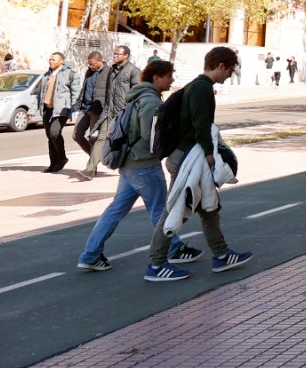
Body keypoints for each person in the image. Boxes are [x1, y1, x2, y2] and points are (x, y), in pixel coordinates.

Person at [77, 60, 202, 271]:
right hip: (145, 165)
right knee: (160, 211)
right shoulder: (151, 102)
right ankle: (173, 249)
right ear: (156, 78)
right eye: (169, 76)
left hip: (129, 164)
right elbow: (150, 136)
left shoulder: (136, 97)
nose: (171, 80)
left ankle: (90, 255)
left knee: (115, 210)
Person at [145, 47, 252, 281]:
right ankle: (156, 264)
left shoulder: (197, 85)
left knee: (209, 208)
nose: (230, 75)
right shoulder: (202, 88)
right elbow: (201, 124)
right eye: (230, 70)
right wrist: (209, 153)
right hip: (188, 157)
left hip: (187, 155)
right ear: (220, 66)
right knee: (175, 208)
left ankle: (221, 254)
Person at [79, 45, 140, 181]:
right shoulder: (112, 70)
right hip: (109, 111)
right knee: (101, 137)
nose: (115, 56)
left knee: (124, 141)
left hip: (124, 112)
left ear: (126, 56)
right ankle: (90, 169)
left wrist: (130, 110)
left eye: (118, 54)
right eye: (114, 54)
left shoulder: (133, 71)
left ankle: (129, 168)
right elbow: (108, 91)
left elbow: (137, 93)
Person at [37, 52, 81, 173]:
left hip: (62, 109)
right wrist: (32, 110)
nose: (51, 62)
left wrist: (74, 110)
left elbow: (76, 94)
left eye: (54, 60)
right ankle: (53, 163)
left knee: (54, 132)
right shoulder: (46, 75)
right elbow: (38, 93)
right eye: (50, 59)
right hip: (47, 109)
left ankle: (62, 158)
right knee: (50, 137)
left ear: (61, 61)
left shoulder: (71, 74)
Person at [72, 51, 105, 168]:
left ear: (100, 61)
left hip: (96, 109)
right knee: (77, 135)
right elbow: (84, 89)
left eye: (93, 64)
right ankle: (94, 157)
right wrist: (78, 105)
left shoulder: (107, 72)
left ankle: (91, 167)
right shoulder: (89, 72)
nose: (91, 66)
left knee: (93, 138)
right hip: (85, 108)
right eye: (89, 64)